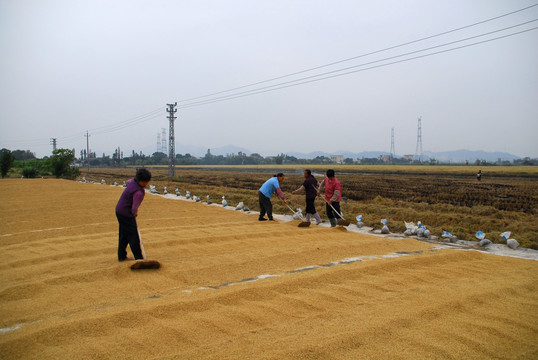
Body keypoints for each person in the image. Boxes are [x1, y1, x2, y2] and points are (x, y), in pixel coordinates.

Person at [115, 168, 152, 261]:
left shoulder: (132, 182)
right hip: (126, 214)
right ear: (139, 180)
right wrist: (134, 213)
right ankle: (139, 258)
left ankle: (122, 256)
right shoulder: (139, 192)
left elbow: (127, 182)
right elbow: (134, 207)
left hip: (119, 210)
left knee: (124, 234)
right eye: (144, 182)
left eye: (147, 181)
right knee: (133, 236)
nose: (146, 184)